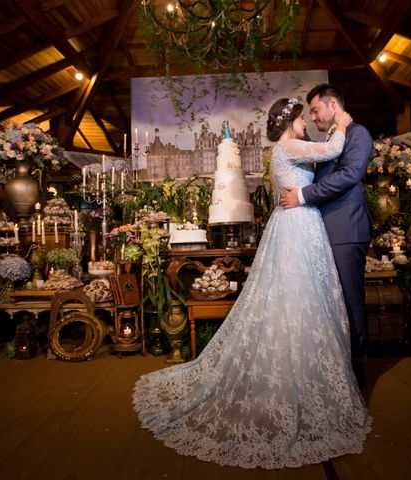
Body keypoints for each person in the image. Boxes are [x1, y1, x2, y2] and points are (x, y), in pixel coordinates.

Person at [133, 99, 371, 469]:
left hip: (297, 224)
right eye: (302, 118)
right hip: (298, 226)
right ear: (290, 122)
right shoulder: (289, 146)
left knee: (300, 300)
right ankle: (294, 385)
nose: (307, 122)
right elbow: (333, 149)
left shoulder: (282, 150)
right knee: (298, 299)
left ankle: (304, 379)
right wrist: (342, 121)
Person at [280, 84, 373, 389]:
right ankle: (337, 380)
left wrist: (303, 196)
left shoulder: (357, 134)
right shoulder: (333, 138)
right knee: (332, 308)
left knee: (350, 306)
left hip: (346, 231)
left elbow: (349, 176)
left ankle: (358, 384)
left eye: (316, 110)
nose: (314, 117)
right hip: (321, 234)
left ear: (333, 104)